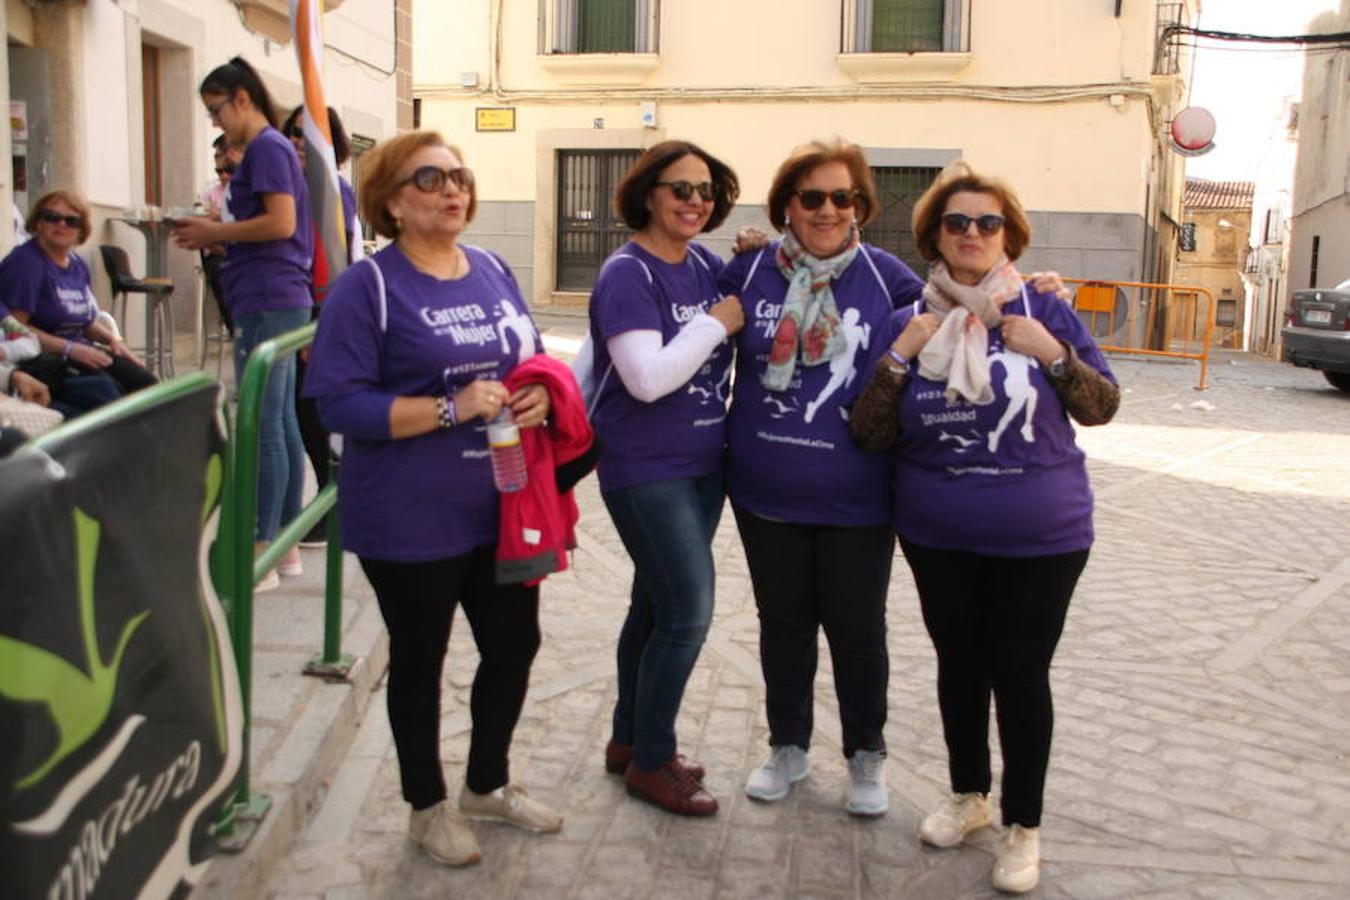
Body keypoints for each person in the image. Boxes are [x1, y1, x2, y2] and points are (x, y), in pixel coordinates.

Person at [850, 162, 1119, 894]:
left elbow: (1100, 407)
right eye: (957, 222)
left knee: (1020, 674)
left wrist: (1054, 355)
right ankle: (970, 795)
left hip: (1043, 537)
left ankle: (1023, 827)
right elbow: (870, 431)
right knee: (959, 667)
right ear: (936, 235)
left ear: (1010, 235)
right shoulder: (910, 316)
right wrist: (902, 356)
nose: (972, 234)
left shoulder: (1044, 309)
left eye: (987, 223)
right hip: (938, 534)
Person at [303, 130, 561, 868]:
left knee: (515, 645)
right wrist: (450, 409)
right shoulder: (369, 286)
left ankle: (487, 785)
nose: (453, 189)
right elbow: (337, 405)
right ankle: (426, 807)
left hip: (503, 504)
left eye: (459, 176)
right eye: (430, 178)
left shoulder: (491, 267)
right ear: (390, 200)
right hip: (410, 516)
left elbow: (530, 354)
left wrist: (539, 391)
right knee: (421, 658)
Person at [718, 137, 926, 817]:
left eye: (842, 197)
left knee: (858, 631)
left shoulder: (888, 275)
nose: (828, 209)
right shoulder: (751, 272)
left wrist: (1035, 293)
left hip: (859, 501)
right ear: (786, 207)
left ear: (860, 205)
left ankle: (866, 757)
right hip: (765, 494)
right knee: (783, 625)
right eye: (812, 197)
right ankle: (788, 747)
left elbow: (959, 304)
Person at [586, 140, 743, 817]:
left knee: (652, 608)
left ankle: (628, 742)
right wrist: (712, 325)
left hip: (704, 467)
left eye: (705, 191)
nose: (694, 202)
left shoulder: (707, 264)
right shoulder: (629, 273)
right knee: (687, 613)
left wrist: (755, 254)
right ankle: (653, 761)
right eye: (680, 189)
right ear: (648, 193)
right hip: (646, 469)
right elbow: (646, 381)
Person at [172, 57, 313, 592]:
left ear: (242, 99)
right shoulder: (270, 149)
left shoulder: (268, 149)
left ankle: (263, 547)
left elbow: (282, 223)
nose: (215, 123)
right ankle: (285, 547)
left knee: (264, 421)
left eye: (216, 110)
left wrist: (215, 231)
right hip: (271, 294)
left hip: (270, 295)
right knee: (280, 420)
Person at [280, 104, 362, 548]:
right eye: (293, 133)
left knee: (313, 413)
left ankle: (335, 505)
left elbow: (340, 257)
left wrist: (323, 323)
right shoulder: (298, 187)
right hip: (306, 307)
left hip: (320, 310)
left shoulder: (330, 190)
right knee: (301, 411)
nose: (298, 142)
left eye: (308, 135)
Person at [0, 190, 156, 395]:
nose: (61, 224)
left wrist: (114, 341)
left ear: (81, 230)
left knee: (146, 384)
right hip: (41, 360)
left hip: (81, 351)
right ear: (38, 222)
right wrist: (69, 348)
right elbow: (15, 329)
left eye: (71, 221)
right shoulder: (26, 263)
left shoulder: (77, 264)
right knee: (108, 392)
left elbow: (85, 323)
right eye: (52, 217)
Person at [3, 302, 122, 420]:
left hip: (36, 374)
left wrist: (6, 351)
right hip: (11, 390)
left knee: (102, 388)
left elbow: (32, 342)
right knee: (74, 420)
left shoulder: (3, 317)